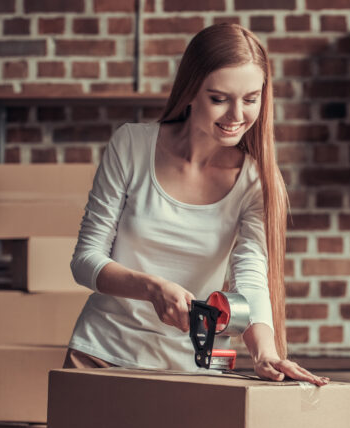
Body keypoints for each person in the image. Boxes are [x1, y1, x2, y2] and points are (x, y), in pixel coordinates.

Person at [64, 23, 328, 386]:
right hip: (102, 356)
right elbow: (85, 261)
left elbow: (250, 274)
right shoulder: (131, 145)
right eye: (219, 98)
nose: (237, 115)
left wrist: (266, 353)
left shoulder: (254, 180)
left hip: (193, 370)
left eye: (251, 99)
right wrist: (152, 288)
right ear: (190, 92)